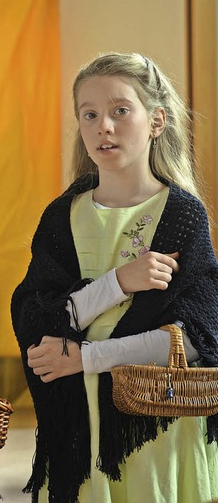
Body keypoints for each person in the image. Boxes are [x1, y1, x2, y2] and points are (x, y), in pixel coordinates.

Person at [11, 51, 218, 503]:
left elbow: (197, 337)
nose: (103, 125)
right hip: (77, 425)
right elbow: (35, 319)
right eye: (90, 115)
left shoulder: (182, 216)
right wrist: (119, 283)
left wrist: (85, 357)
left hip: (153, 424)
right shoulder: (61, 217)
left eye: (120, 111)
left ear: (156, 122)